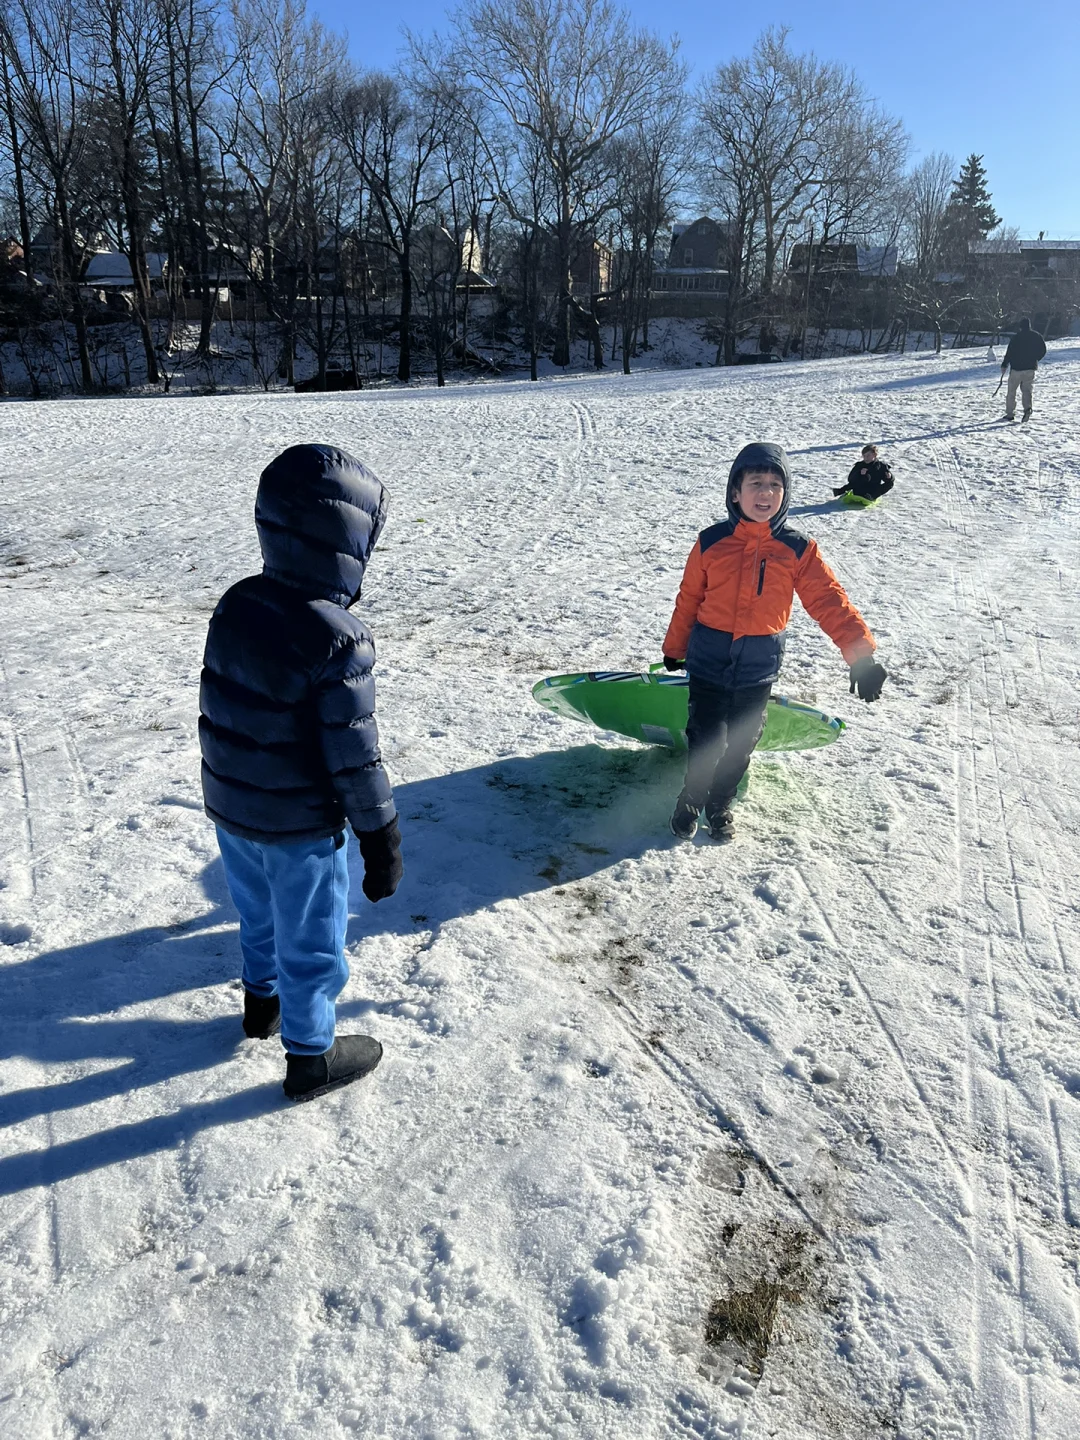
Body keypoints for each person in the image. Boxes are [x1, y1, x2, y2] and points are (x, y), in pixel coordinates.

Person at [199, 444, 402, 1102]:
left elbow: (218, 704)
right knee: (311, 938)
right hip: (300, 826)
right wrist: (381, 836)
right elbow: (354, 754)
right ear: (348, 541)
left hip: (234, 808)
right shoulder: (339, 638)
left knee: (256, 915)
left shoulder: (237, 603)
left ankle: (261, 1006)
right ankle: (311, 1056)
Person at [662, 442, 886, 842]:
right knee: (707, 736)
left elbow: (829, 601)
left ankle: (720, 805)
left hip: (758, 664)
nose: (765, 493)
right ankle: (690, 799)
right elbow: (689, 599)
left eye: (774, 485)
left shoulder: (798, 549)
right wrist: (675, 648)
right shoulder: (711, 542)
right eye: (755, 483)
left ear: (785, 493)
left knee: (741, 743)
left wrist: (861, 655)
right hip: (709, 659)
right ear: (736, 491)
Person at [1000, 317, 1047, 422]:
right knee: (1027, 390)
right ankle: (1027, 409)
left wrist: (1004, 364)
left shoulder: (1016, 337)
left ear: (1020, 327)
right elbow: (1043, 350)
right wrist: (1036, 359)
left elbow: (1009, 352)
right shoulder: (1037, 336)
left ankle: (1010, 413)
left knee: (1012, 391)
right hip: (1030, 368)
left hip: (1016, 368)